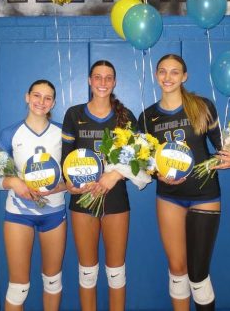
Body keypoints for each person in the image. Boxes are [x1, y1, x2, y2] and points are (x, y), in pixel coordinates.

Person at [138, 54, 230, 311]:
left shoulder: (202, 106)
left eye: (174, 72)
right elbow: (145, 161)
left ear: (184, 77)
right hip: (168, 196)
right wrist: (155, 174)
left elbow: (223, 148)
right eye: (162, 71)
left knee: (197, 273)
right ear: (156, 75)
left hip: (204, 195)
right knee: (177, 269)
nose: (167, 77)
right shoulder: (147, 116)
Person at [61, 60, 136, 311]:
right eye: (98, 77)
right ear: (89, 81)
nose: (103, 82)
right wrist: (71, 183)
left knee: (116, 272)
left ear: (114, 82)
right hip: (83, 199)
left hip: (116, 199)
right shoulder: (74, 114)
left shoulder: (125, 117)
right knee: (87, 271)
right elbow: (66, 158)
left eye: (108, 78)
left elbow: (138, 160)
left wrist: (114, 176)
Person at [0, 80, 67, 311]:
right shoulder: (10, 133)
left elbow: (74, 180)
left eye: (47, 97)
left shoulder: (63, 133)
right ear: (27, 97)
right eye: (36, 95)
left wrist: (58, 187)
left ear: (53, 102)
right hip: (18, 215)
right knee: (18, 287)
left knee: (53, 282)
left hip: (54, 214)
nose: (41, 102)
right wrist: (13, 182)